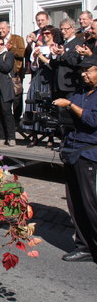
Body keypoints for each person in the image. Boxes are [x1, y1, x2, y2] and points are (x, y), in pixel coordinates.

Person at [52, 54, 97, 263]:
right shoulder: (79, 92)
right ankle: (84, 246)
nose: (84, 74)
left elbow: (91, 120)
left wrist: (70, 106)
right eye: (83, 71)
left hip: (89, 153)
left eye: (89, 70)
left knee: (90, 204)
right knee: (75, 202)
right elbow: (70, 118)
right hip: (72, 151)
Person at [24, 26, 57, 147]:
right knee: (34, 104)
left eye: (48, 33)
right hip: (38, 77)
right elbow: (33, 67)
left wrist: (41, 57)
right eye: (44, 34)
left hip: (48, 78)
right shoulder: (38, 48)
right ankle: (34, 135)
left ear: (53, 34)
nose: (46, 35)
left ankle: (50, 137)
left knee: (47, 106)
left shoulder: (56, 47)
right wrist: (36, 58)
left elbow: (52, 65)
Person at [0, 21, 26, 125]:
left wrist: (11, 49)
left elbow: (23, 53)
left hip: (15, 73)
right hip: (2, 74)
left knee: (16, 97)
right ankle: (6, 121)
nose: (1, 30)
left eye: (3, 28)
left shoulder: (17, 39)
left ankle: (16, 120)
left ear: (8, 29)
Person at [51, 18, 82, 100]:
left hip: (70, 86)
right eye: (61, 29)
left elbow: (75, 62)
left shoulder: (78, 43)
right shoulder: (61, 44)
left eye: (66, 29)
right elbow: (53, 65)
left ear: (73, 29)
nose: (63, 32)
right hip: (58, 86)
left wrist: (63, 54)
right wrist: (54, 56)